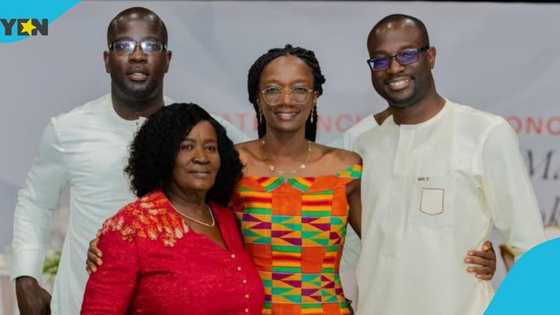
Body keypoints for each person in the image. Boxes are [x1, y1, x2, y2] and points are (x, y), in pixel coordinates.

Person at [11, 7, 245, 315]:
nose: (137, 55)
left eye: (150, 46)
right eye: (123, 46)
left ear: (167, 59)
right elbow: (35, 204)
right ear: (107, 61)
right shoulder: (67, 129)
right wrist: (25, 277)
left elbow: (255, 172)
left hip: (175, 302)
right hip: (85, 297)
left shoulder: (203, 129)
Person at [354, 14, 545, 315]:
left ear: (430, 57)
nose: (393, 68)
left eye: (407, 54)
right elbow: (355, 247)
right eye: (380, 60)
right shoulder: (361, 140)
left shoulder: (484, 132)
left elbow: (530, 249)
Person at [81, 103, 264, 314]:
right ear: (163, 156)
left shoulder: (228, 219)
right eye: (186, 147)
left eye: (210, 147)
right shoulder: (130, 227)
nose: (201, 157)